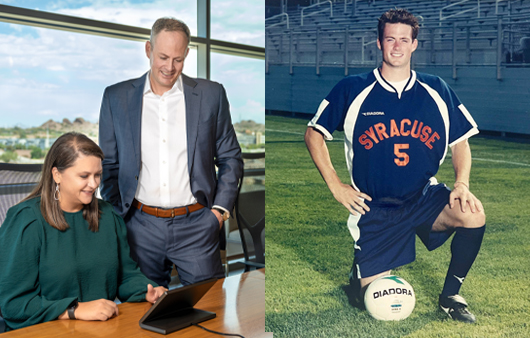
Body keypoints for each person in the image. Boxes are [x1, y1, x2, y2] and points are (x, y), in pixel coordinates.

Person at [305, 9, 486, 323]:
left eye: (405, 39)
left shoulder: (436, 89)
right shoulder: (353, 88)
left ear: (415, 44)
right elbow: (313, 134)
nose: (397, 46)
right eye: (390, 39)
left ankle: (451, 296)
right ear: (379, 43)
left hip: (422, 199)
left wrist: (461, 184)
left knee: (473, 213)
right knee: (370, 304)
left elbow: (460, 142)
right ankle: (358, 276)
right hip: (376, 209)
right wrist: (335, 184)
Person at [98, 17, 243, 288]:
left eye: (178, 59)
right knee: (141, 314)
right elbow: (108, 164)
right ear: (148, 50)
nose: (169, 67)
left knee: (211, 310)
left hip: (198, 225)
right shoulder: (116, 98)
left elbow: (230, 157)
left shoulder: (212, 95)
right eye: (163, 57)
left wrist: (218, 213)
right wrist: (121, 216)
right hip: (139, 228)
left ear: (187, 54)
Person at [0, 132, 167, 331]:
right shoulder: (26, 221)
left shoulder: (108, 216)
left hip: (100, 330)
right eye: (84, 176)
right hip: (44, 332)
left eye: (97, 175)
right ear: (57, 175)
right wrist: (74, 310)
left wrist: (146, 290)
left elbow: (126, 276)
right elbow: (13, 304)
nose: (94, 184)